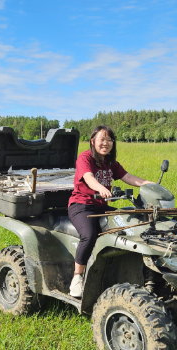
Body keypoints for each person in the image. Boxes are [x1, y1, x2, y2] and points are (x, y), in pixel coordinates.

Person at [68, 124, 154, 297]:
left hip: (102, 206)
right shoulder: (85, 158)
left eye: (109, 140)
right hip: (82, 206)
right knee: (89, 234)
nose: (105, 143)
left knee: (131, 224)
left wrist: (149, 184)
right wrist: (100, 188)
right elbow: (88, 178)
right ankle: (77, 277)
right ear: (93, 141)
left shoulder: (110, 162)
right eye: (102, 139)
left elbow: (127, 177)